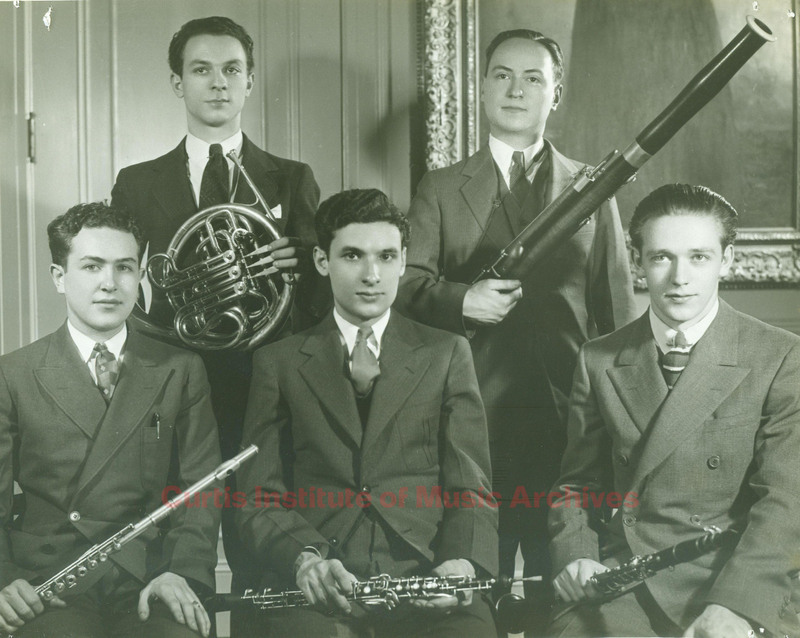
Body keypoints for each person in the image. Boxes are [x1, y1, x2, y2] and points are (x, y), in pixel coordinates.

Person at [394, 28, 635, 627]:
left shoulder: (593, 188)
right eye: (501, 74)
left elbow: (621, 313)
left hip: (571, 431)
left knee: (570, 602)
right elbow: (401, 289)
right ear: (481, 87)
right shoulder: (441, 187)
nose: (515, 89)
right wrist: (462, 301)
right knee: (477, 600)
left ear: (557, 95)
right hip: (472, 429)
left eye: (534, 78)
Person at [110, 16, 325, 580]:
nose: (218, 83)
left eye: (232, 70)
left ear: (250, 82)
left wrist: (301, 264)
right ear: (178, 83)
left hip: (267, 384)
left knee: (269, 542)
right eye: (200, 70)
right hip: (176, 383)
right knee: (181, 544)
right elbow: (125, 281)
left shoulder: (290, 178)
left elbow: (323, 296)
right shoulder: (136, 182)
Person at [234, 189, 498, 637]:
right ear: (322, 261)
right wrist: (304, 560)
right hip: (317, 583)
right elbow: (259, 497)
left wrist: (460, 563)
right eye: (353, 255)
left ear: (403, 261)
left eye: (386, 256)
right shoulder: (276, 362)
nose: (372, 274)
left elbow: (471, 487)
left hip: (423, 575)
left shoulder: (447, 353)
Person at [548, 184, 800, 637]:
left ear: (726, 260)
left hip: (738, 578)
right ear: (638, 260)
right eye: (662, 256)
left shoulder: (780, 355)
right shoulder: (599, 358)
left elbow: (786, 503)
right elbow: (577, 485)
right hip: (626, 580)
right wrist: (577, 554)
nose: (679, 277)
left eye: (699, 257)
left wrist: (735, 606)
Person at [0, 203, 222, 638]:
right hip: (50, 582)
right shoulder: (13, 374)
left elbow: (203, 489)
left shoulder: (181, 368)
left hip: (151, 576)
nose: (109, 283)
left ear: (140, 276)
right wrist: (6, 580)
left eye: (124, 267)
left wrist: (181, 571)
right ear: (58, 277)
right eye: (91, 266)